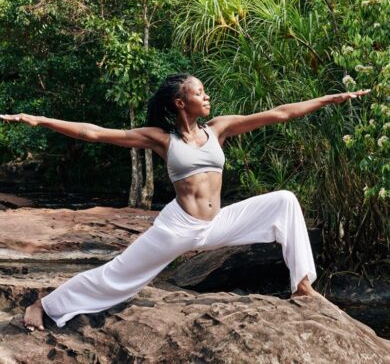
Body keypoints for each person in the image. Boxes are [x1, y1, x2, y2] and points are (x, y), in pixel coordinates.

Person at [0, 74, 370, 331]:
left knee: (285, 201)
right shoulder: (162, 138)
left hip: (216, 224)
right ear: (181, 102)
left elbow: (279, 113)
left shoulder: (219, 128)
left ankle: (301, 286)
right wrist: (39, 119)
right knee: (117, 276)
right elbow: (93, 133)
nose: (206, 96)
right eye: (200, 92)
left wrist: (326, 99)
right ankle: (44, 306)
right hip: (177, 229)